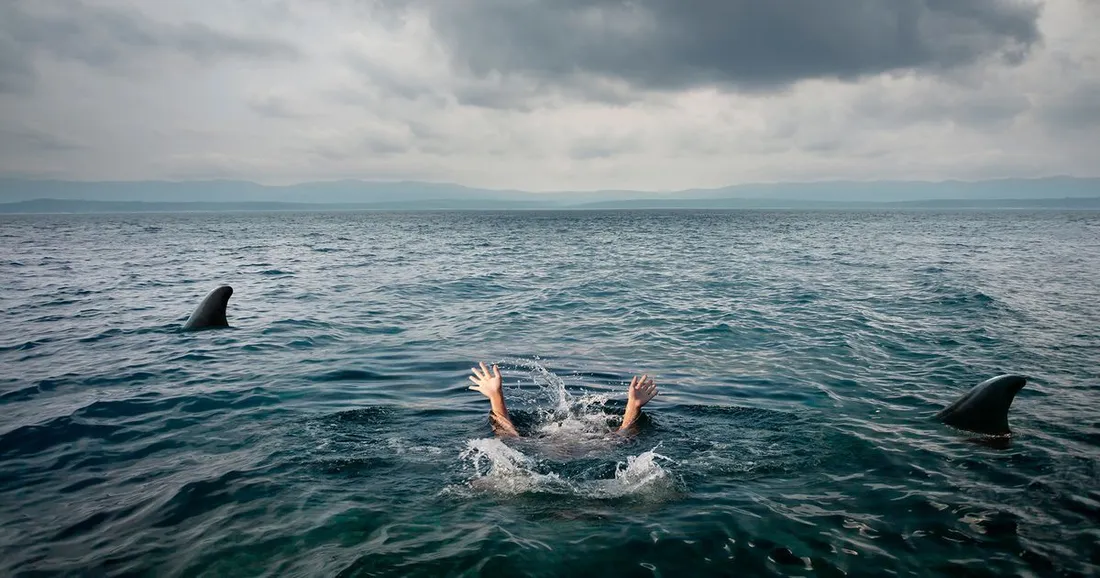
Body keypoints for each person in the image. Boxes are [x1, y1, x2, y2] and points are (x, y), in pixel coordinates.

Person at [467, 362, 659, 437]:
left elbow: (507, 434)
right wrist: (633, 405)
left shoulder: (536, 444)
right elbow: (624, 433)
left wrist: (496, 396)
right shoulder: (599, 444)